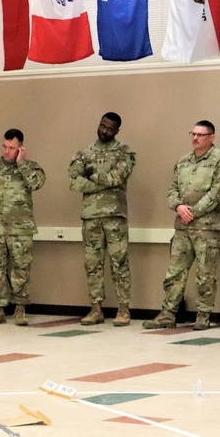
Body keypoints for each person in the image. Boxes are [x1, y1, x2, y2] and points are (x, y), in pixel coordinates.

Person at [143, 121, 220, 331]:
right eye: (193, 134)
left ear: (211, 137)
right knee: (174, 272)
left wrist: (193, 212)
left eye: (201, 135)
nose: (195, 138)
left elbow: (217, 193)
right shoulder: (183, 161)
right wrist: (179, 206)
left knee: (205, 274)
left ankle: (203, 315)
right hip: (183, 226)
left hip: (207, 228)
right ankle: (168, 313)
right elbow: (172, 189)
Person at [69, 112, 136, 326]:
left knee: (120, 263)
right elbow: (73, 181)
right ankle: (96, 309)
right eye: (102, 126)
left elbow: (118, 178)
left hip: (114, 216)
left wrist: (93, 176)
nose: (104, 131)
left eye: (109, 128)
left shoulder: (125, 152)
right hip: (91, 217)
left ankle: (123, 309)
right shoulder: (85, 152)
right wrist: (101, 183)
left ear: (116, 131)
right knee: (92, 264)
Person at [0, 128, 46, 326]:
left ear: (20, 148)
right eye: (4, 146)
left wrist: (22, 164)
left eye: (12, 148)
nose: (7, 151)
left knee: (21, 269)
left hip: (20, 229)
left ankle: (20, 309)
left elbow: (37, 184)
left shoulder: (31, 167)